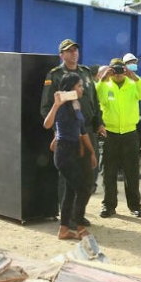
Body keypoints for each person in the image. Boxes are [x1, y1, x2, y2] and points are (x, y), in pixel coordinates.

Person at [41, 39, 104, 196]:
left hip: (88, 130)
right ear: (62, 55)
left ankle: (79, 212)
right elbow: (47, 107)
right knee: (69, 175)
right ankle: (67, 215)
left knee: (90, 172)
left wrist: (99, 123)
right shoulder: (55, 75)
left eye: (75, 50)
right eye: (69, 50)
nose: (74, 53)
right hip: (68, 132)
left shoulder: (86, 72)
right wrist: (57, 130)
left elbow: (94, 101)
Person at [43, 73, 97, 240]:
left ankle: (64, 229)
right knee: (82, 188)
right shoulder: (62, 106)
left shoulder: (76, 105)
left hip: (75, 151)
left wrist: (92, 152)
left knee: (71, 191)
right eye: (79, 86)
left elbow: (82, 131)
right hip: (64, 152)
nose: (82, 89)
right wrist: (56, 105)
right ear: (70, 88)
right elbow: (47, 124)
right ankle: (80, 226)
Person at [96, 58, 141, 218]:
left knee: (132, 173)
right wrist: (103, 78)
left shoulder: (133, 84)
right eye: (115, 70)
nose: (118, 73)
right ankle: (108, 205)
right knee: (108, 172)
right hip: (109, 134)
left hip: (129, 134)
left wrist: (134, 77)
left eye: (121, 70)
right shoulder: (105, 85)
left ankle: (135, 206)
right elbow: (98, 98)